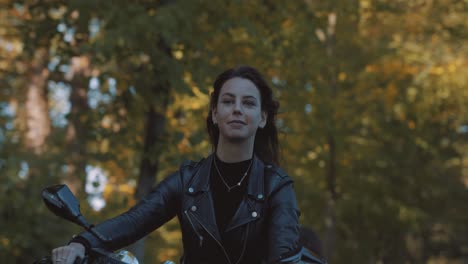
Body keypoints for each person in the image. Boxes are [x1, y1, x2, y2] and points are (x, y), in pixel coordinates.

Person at [52, 66, 304, 264]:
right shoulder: (188, 180)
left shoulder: (276, 187)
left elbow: (285, 258)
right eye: (228, 101)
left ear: (262, 118)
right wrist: (81, 243)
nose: (237, 109)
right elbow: (135, 219)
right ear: (215, 113)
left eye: (248, 103)